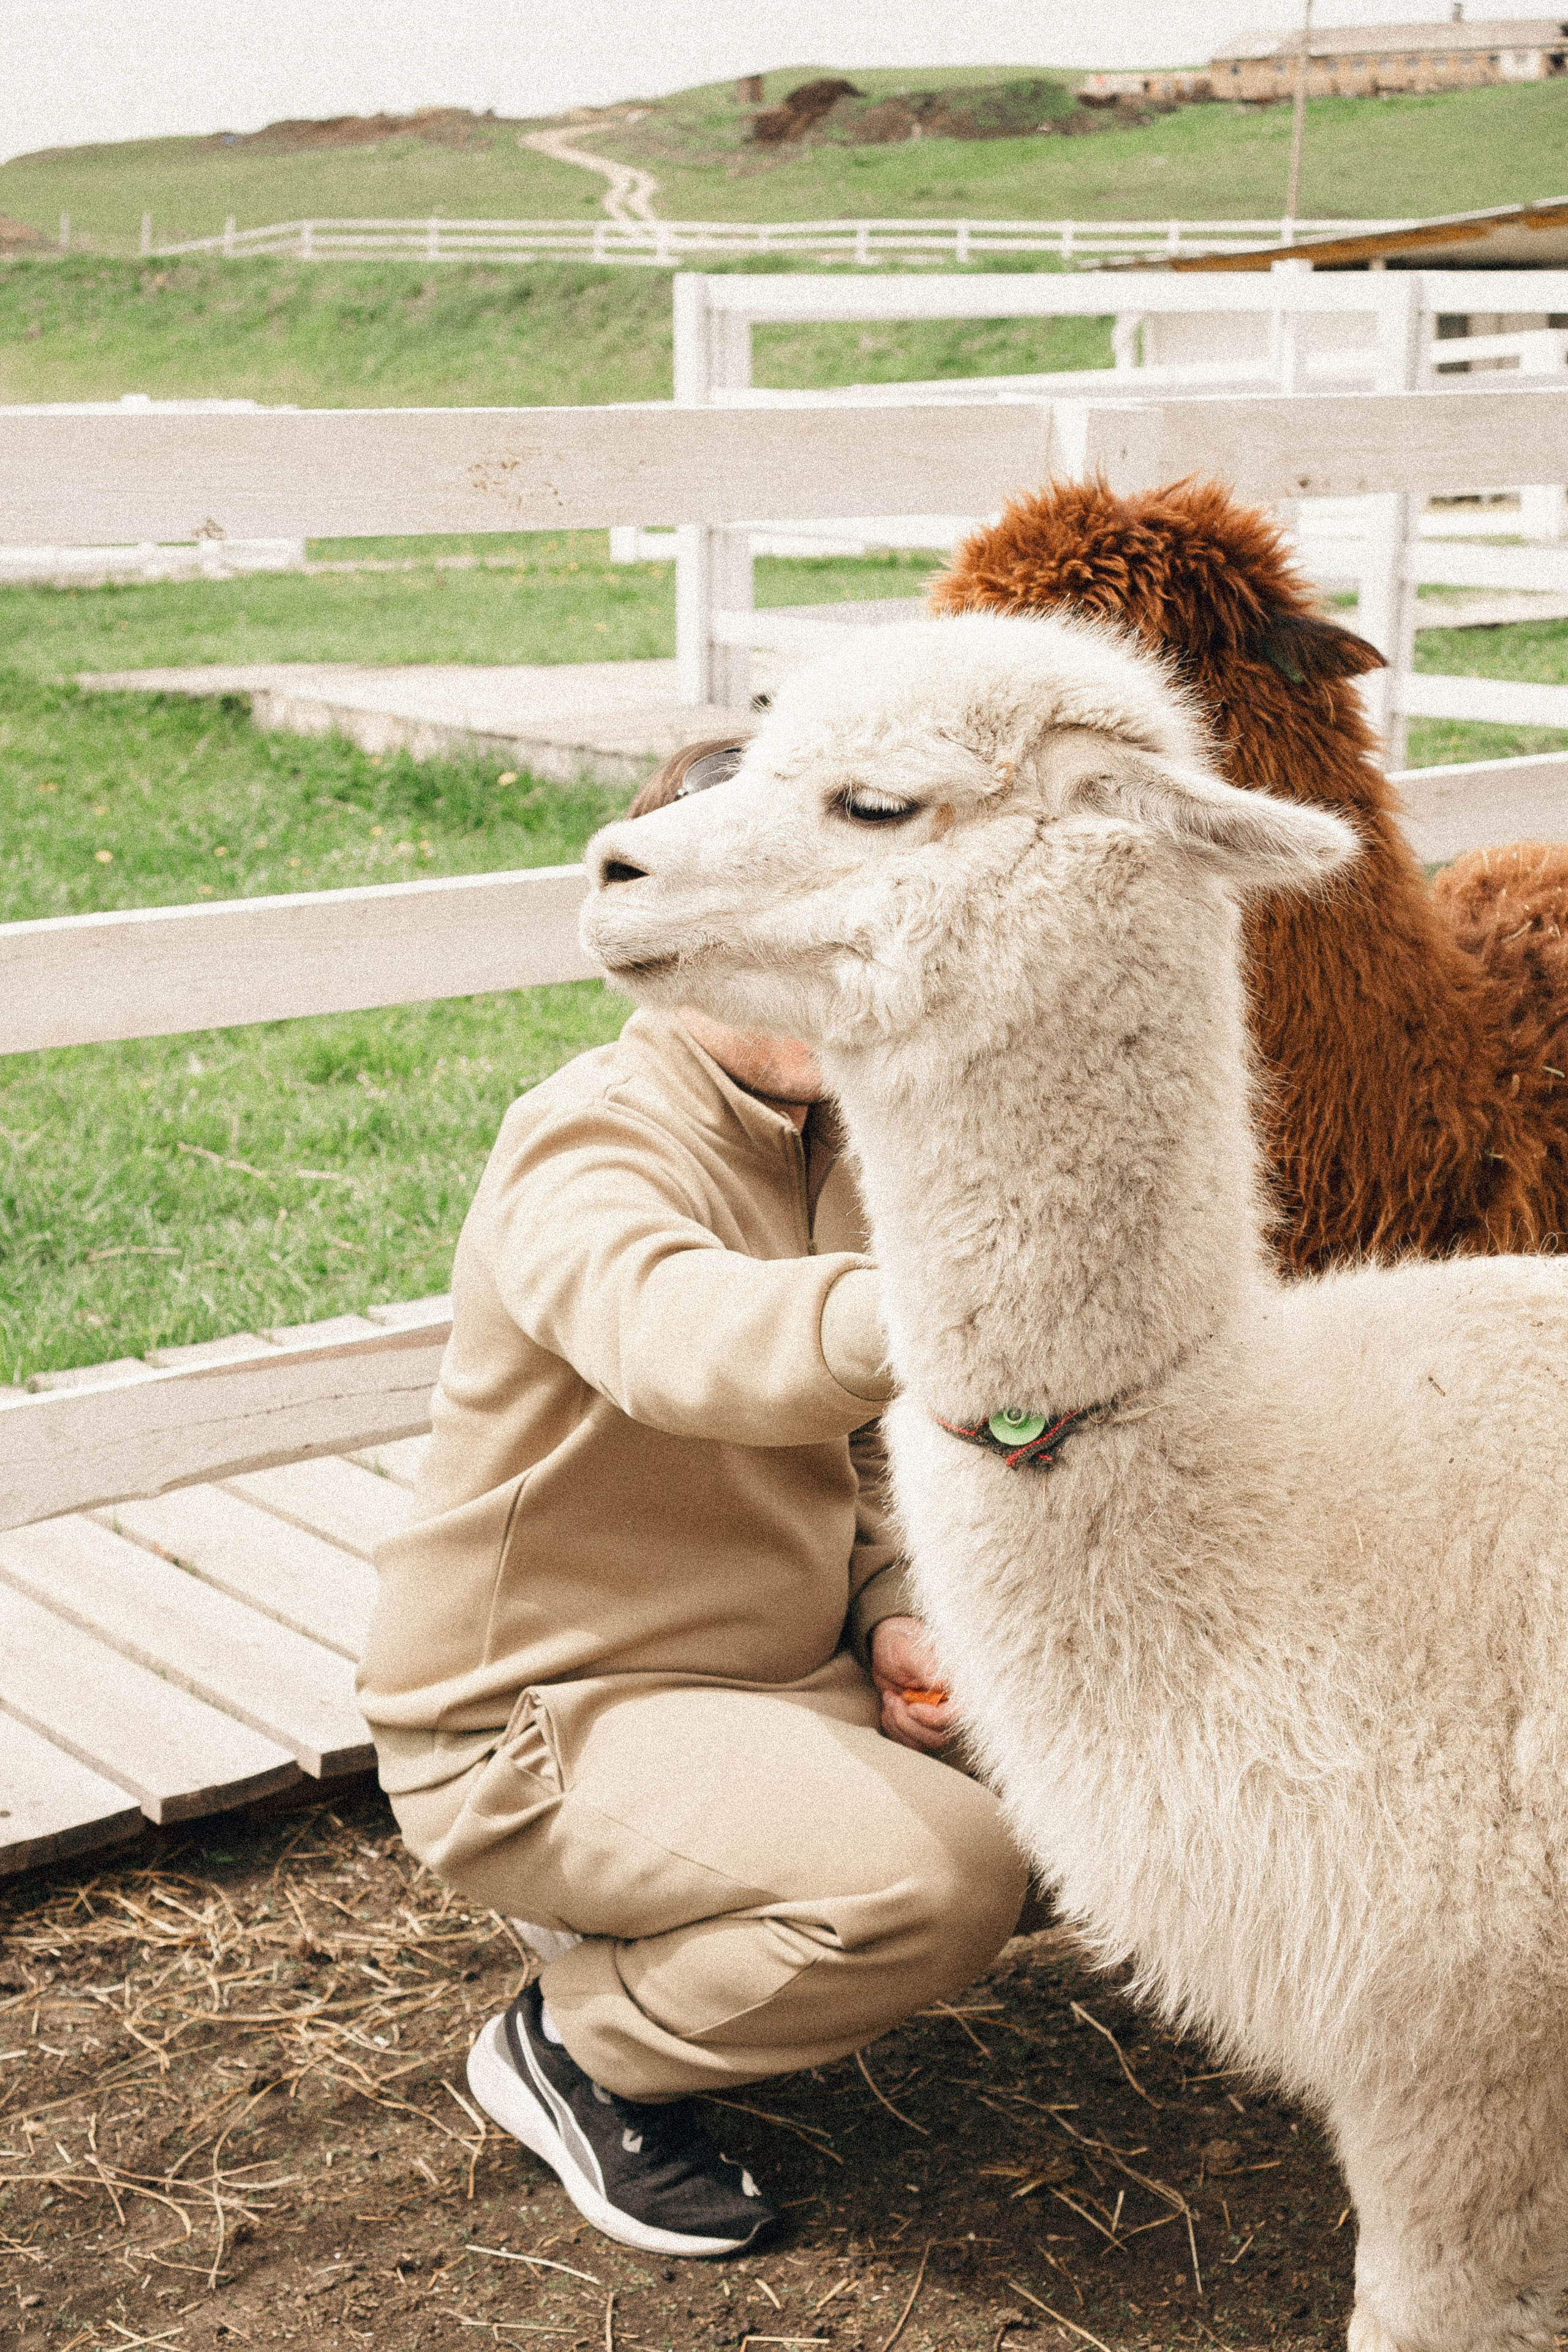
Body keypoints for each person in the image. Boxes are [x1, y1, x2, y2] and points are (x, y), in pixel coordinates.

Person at [357, 738, 1030, 2261]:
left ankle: (686, 1888)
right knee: (949, 1878)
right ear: (662, 944)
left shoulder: (844, 1140)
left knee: (1086, 1768)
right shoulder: (585, 1136)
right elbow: (678, 1339)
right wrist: (935, 1308)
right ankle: (584, 2044)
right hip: (539, 1711)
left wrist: (892, 1610)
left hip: (776, 1681)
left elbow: (856, 1450)